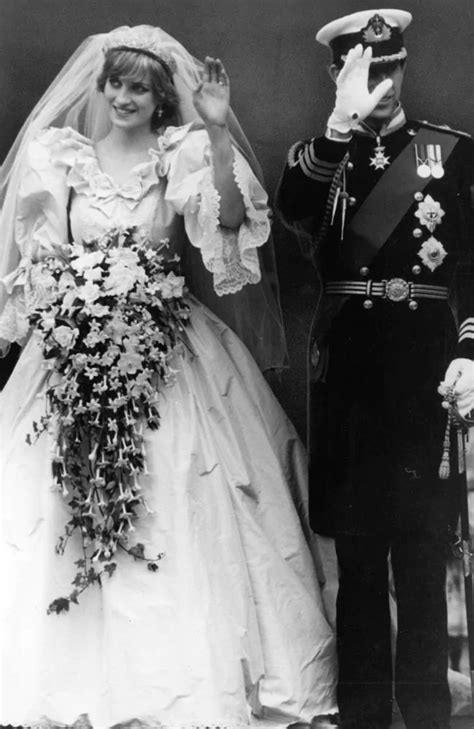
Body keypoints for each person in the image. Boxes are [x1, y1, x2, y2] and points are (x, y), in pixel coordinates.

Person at [0, 25, 337, 729]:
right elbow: (37, 264)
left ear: (161, 100)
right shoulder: (57, 157)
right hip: (74, 346)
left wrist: (215, 134)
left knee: (179, 493)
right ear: (101, 88)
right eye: (116, 84)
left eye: (140, 88)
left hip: (168, 348)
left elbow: (233, 219)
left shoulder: (177, 155)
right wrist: (72, 314)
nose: (123, 97)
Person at [276, 8, 474, 729]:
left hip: (424, 369)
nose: (380, 85)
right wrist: (337, 127)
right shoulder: (319, 158)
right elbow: (294, 215)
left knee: (422, 553)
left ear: (405, 68)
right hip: (351, 379)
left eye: (390, 69)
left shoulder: (449, 152)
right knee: (358, 562)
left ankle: (426, 712)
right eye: (364, 72)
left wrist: (470, 348)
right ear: (339, 76)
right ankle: (361, 714)